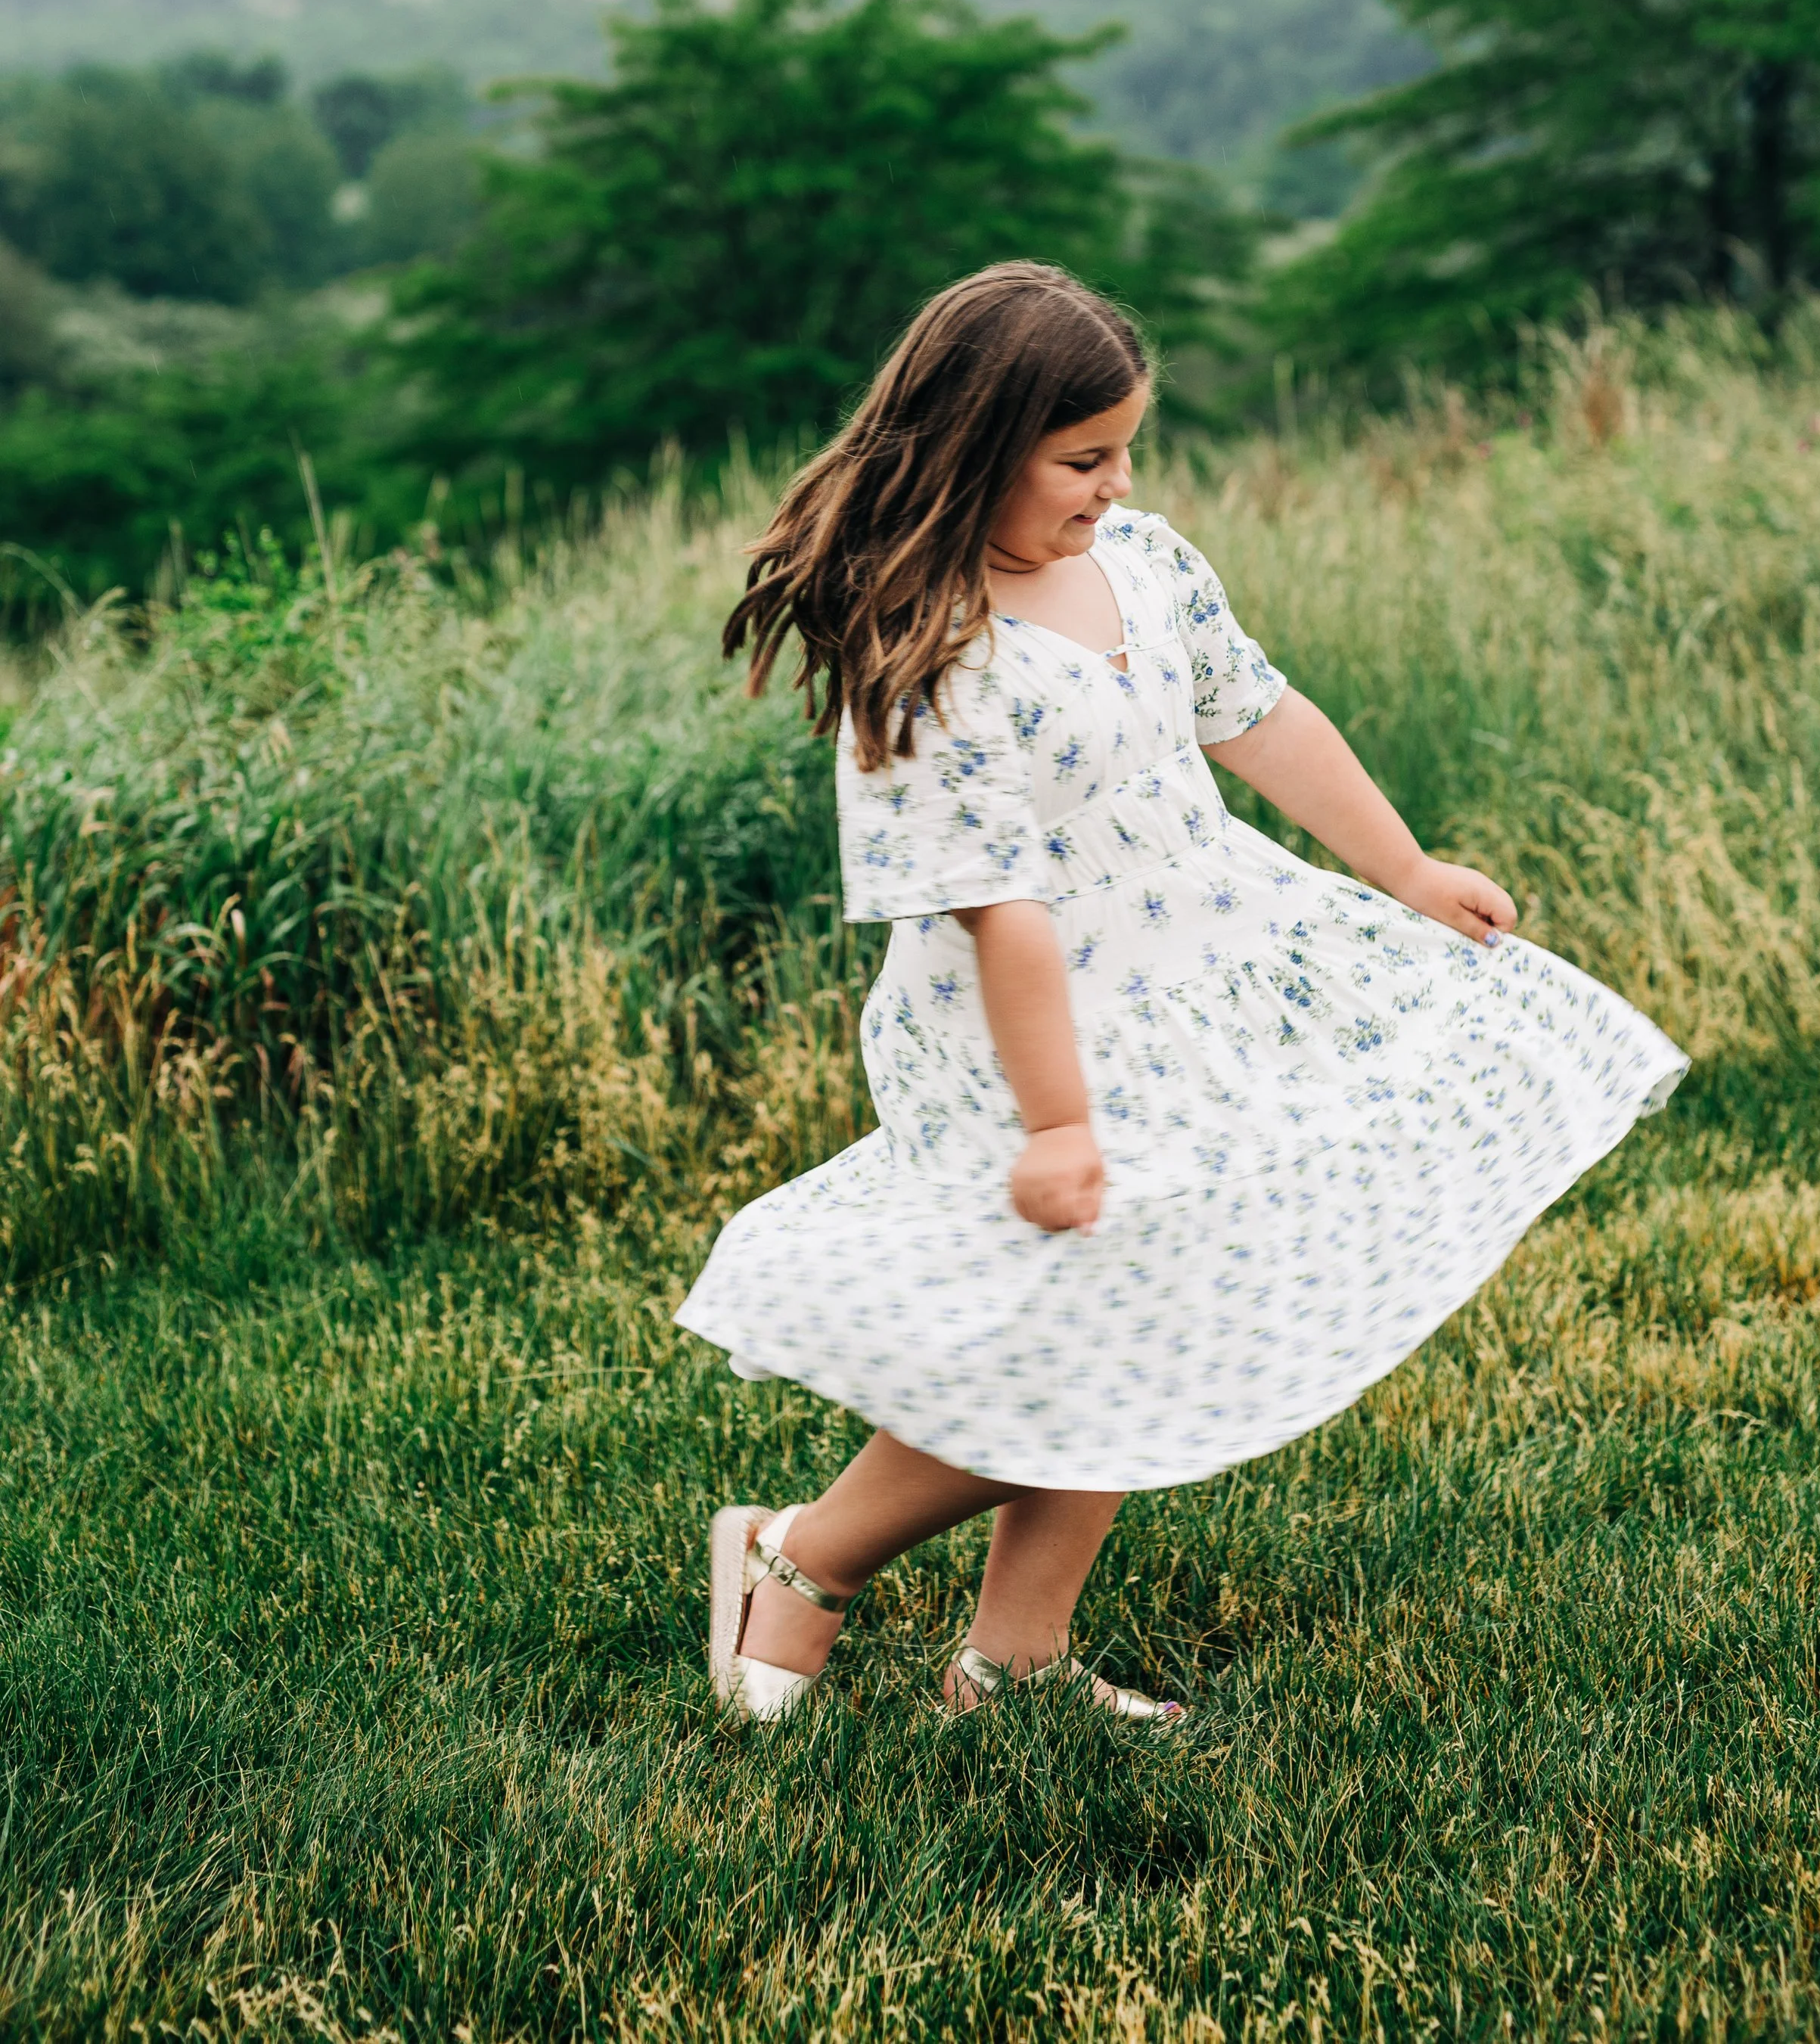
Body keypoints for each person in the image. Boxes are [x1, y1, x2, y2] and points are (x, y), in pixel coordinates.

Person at [676, 262, 1686, 1723]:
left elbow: (1259, 716)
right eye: (1081, 458)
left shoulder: (1145, 561)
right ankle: (799, 1551)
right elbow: (1002, 915)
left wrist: (1403, 867)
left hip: (1199, 969)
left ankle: (1011, 1658)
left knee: (1148, 1307)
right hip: (1022, 1036)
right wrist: (1059, 1122)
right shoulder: (936, 655)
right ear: (972, 447)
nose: (1114, 483)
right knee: (1078, 1325)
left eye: (1124, 449)